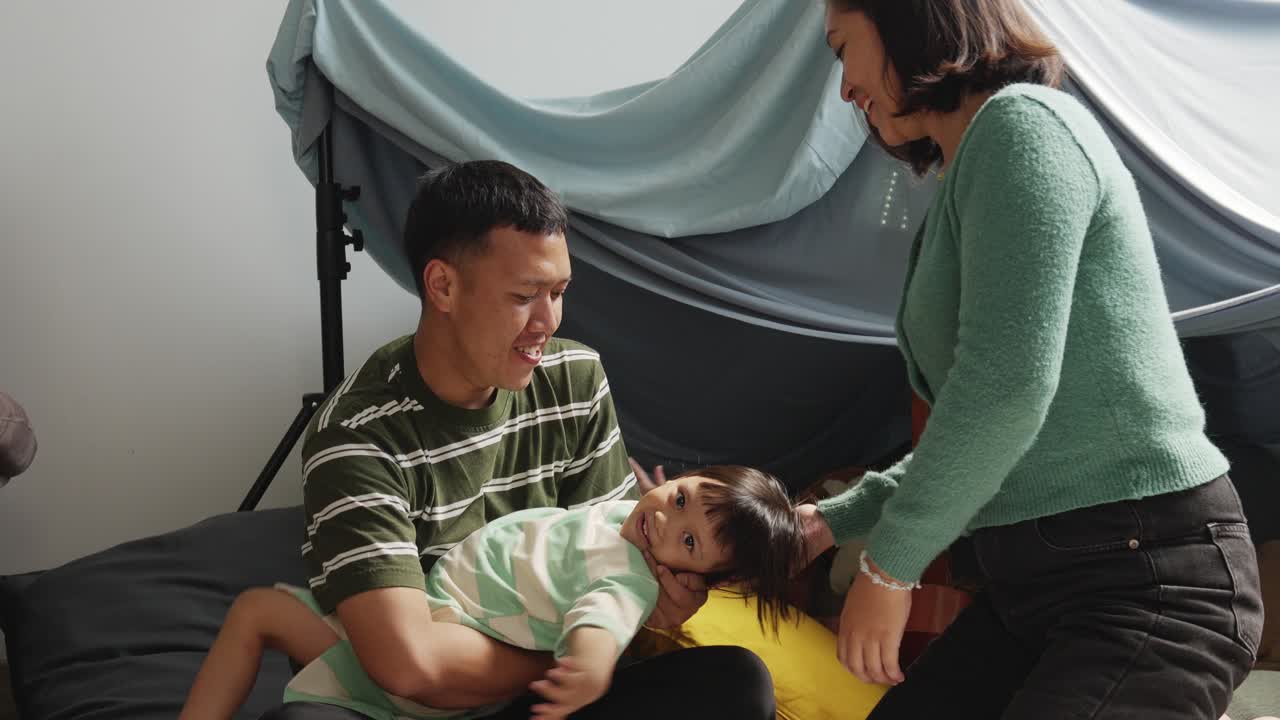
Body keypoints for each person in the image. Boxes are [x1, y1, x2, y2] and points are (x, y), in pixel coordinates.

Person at [787, 1, 1265, 718]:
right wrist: (834, 519)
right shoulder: (971, 171)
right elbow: (990, 431)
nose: (847, 86)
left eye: (842, 48)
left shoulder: (1023, 128)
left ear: (907, 21)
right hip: (1039, 592)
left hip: (1150, 584)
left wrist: (888, 571)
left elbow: (1004, 390)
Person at [241, 161, 776, 719]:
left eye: (559, 292)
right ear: (443, 285)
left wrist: (641, 616)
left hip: (538, 703)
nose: (547, 321)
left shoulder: (576, 380)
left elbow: (621, 570)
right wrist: (583, 656)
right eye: (525, 296)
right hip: (405, 707)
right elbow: (409, 666)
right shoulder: (357, 436)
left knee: (736, 681)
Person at [180, 465, 804, 720]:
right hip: (417, 619)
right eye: (680, 498)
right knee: (257, 608)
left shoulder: (629, 577)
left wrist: (590, 667)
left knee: (742, 680)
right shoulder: (623, 508)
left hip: (460, 650)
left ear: (691, 575)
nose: (667, 520)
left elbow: (600, 617)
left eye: (689, 542)